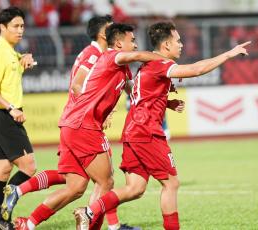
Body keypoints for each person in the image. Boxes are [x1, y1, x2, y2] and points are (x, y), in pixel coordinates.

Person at [74, 21, 251, 230]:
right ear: (166, 45)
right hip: (147, 131)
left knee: (135, 188)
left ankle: (88, 211)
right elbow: (196, 69)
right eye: (178, 41)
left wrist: (166, 102)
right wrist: (228, 54)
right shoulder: (160, 63)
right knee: (171, 183)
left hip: (133, 130)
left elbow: (142, 95)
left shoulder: (149, 64)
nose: (182, 44)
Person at [11, 23, 163, 230]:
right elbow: (80, 82)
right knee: (106, 182)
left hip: (73, 125)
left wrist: (163, 97)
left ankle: (27, 224)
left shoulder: (122, 68)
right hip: (85, 125)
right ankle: (101, 227)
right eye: (132, 40)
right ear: (118, 43)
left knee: (75, 186)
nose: (135, 45)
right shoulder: (110, 56)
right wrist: (165, 59)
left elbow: (135, 93)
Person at [0, 7, 37, 230]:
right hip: (4, 116)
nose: (20, 30)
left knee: (1, 173)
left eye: (22, 26)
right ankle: (3, 218)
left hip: (2, 117)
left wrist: (24, 60)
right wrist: (12, 108)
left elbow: (10, 73)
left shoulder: (11, 51)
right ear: (2, 28)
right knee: (29, 167)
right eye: (15, 26)